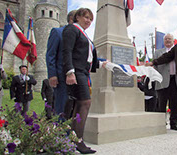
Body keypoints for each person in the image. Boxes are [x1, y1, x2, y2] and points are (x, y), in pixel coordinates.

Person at [62, 8, 107, 154]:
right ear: (78, 17)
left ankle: (75, 139)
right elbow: (67, 51)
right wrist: (70, 72)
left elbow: (87, 57)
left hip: (84, 72)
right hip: (76, 71)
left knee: (80, 105)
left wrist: (101, 64)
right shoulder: (72, 29)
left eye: (90, 19)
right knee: (85, 103)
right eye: (85, 17)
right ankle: (78, 141)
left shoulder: (84, 35)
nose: (88, 21)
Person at [46, 10, 76, 118]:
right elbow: (51, 55)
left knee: (74, 111)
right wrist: (52, 74)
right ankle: (61, 134)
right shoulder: (58, 32)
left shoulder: (79, 36)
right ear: (71, 19)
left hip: (76, 79)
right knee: (62, 109)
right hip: (61, 78)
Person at [153, 33, 177, 131]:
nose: (168, 41)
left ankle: (174, 124)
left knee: (175, 104)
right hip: (162, 81)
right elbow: (155, 68)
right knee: (161, 104)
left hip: (175, 80)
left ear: (173, 40)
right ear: (163, 41)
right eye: (166, 39)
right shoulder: (157, 52)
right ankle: (161, 123)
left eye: (169, 39)